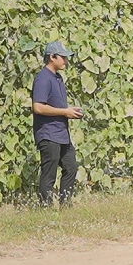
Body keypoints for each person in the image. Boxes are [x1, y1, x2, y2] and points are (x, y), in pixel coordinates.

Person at [31, 41, 83, 206]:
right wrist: (64, 112)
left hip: (61, 134)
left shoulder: (58, 78)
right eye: (63, 57)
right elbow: (38, 107)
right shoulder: (43, 79)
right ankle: (45, 209)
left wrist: (70, 111)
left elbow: (56, 106)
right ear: (52, 57)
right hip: (48, 134)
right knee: (49, 174)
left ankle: (65, 206)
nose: (66, 61)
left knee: (71, 166)